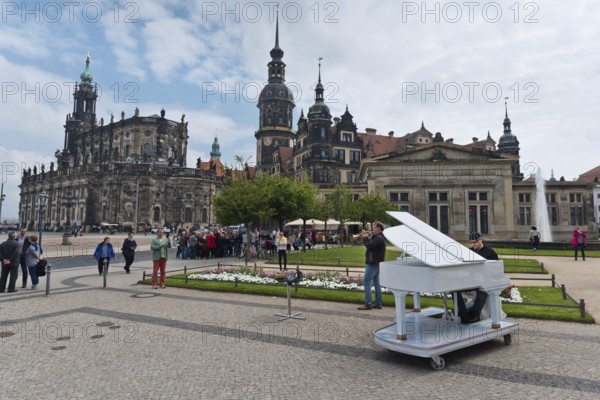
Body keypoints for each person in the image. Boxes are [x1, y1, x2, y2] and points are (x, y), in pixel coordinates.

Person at [455, 232, 499, 323]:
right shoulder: (469, 251)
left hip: (485, 281)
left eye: (475, 242)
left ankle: (474, 315)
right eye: (471, 242)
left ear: (480, 240)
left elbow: (496, 270)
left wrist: (484, 276)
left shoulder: (490, 253)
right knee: (454, 289)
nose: (473, 244)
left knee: (483, 290)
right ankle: (462, 313)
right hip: (471, 280)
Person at [358, 222, 386, 310]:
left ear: (379, 228)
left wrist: (365, 237)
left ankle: (367, 304)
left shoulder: (379, 238)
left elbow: (369, 246)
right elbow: (372, 244)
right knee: (377, 282)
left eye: (374, 227)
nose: (373, 229)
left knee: (366, 282)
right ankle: (378, 303)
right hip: (376, 262)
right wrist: (368, 237)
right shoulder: (379, 237)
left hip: (373, 262)